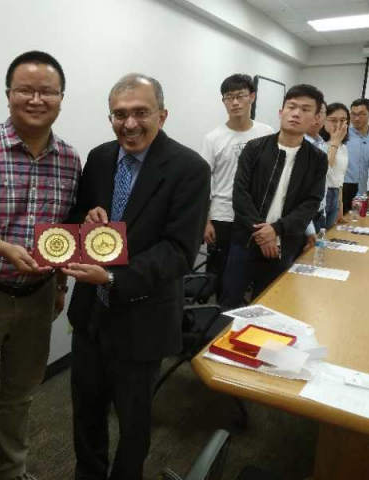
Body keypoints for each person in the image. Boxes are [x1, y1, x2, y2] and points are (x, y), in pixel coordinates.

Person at [63, 73, 210, 480]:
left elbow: (179, 251)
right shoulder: (99, 158)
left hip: (144, 317)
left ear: (162, 115)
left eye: (141, 112)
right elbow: (77, 216)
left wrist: (113, 279)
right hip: (90, 315)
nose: (129, 124)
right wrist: (85, 219)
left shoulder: (189, 169)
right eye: (119, 114)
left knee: (133, 421)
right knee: (86, 411)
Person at [0, 51, 81, 480]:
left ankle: (10, 469)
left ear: (61, 98)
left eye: (47, 92)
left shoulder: (69, 158)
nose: (36, 99)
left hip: (38, 297)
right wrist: (5, 250)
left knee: (20, 396)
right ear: (9, 94)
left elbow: (64, 232)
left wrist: (60, 287)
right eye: (25, 90)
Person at [220, 84, 328, 310]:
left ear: (316, 118)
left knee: (268, 303)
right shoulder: (255, 148)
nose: (296, 113)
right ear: (281, 112)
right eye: (291, 107)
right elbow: (240, 194)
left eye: (305, 109)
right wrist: (264, 234)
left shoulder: (317, 159)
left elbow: (311, 202)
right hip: (246, 238)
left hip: (284, 242)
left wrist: (276, 230)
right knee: (230, 301)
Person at [201, 74, 273, 297]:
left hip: (257, 216)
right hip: (223, 216)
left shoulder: (267, 133)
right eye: (228, 97)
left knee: (256, 273)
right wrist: (205, 221)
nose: (235, 102)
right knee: (222, 276)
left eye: (240, 96)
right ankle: (220, 316)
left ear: (252, 97)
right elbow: (202, 182)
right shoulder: (213, 138)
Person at [343, 98, 369, 212]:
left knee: (358, 220)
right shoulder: (343, 134)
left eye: (361, 114)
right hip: (341, 191)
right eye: (353, 114)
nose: (356, 118)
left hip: (360, 193)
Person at [319, 103, 350, 228]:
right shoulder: (319, 144)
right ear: (324, 120)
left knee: (330, 233)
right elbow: (325, 169)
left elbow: (340, 177)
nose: (338, 124)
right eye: (333, 120)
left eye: (343, 120)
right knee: (319, 233)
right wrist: (335, 141)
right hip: (322, 194)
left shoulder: (343, 147)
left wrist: (340, 206)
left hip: (336, 194)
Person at [304, 101, 328, 232]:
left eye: (322, 112)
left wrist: (323, 211)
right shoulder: (299, 144)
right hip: (303, 217)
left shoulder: (323, 144)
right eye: (314, 112)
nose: (318, 117)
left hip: (320, 213)